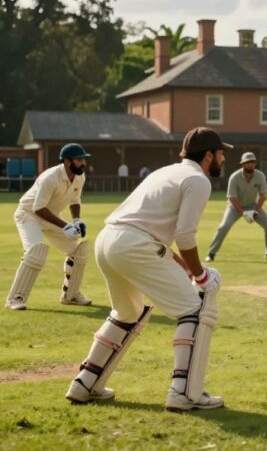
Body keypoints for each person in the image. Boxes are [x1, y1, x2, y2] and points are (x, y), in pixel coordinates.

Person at [65, 127, 230, 411]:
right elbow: (184, 235)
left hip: (109, 240)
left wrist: (186, 267)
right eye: (220, 152)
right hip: (133, 245)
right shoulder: (198, 181)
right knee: (195, 308)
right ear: (208, 155)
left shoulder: (165, 172)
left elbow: (152, 229)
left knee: (128, 312)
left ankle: (85, 383)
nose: (224, 157)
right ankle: (184, 392)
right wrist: (201, 276)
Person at [6, 143, 93, 310]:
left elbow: (75, 201)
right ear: (67, 162)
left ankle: (71, 294)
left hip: (50, 216)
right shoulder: (50, 177)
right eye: (79, 159)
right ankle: (15, 299)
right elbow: (38, 208)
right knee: (36, 251)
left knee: (78, 251)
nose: (83, 163)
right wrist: (65, 226)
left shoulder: (79, 177)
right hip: (29, 215)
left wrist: (76, 221)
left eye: (83, 159)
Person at [206, 152, 267, 263]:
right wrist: (242, 211)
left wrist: (255, 210)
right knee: (224, 227)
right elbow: (231, 197)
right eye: (247, 163)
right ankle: (211, 253)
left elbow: (263, 196)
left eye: (252, 162)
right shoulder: (234, 177)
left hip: (252, 205)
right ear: (243, 164)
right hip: (234, 207)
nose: (250, 165)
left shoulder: (260, 176)